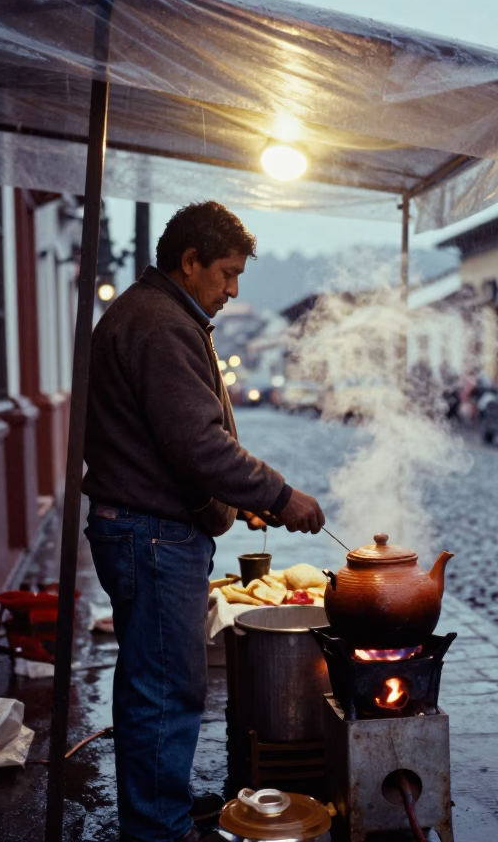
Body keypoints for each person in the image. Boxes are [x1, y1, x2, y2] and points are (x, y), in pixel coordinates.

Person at [82, 202, 326, 842]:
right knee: (164, 687)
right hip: (150, 534)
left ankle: (160, 804)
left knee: (154, 679)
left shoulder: (160, 314)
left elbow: (174, 447)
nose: (232, 290)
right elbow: (198, 445)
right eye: (225, 273)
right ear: (188, 263)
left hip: (148, 528)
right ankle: (157, 827)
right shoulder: (161, 324)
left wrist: (226, 503)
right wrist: (279, 496)